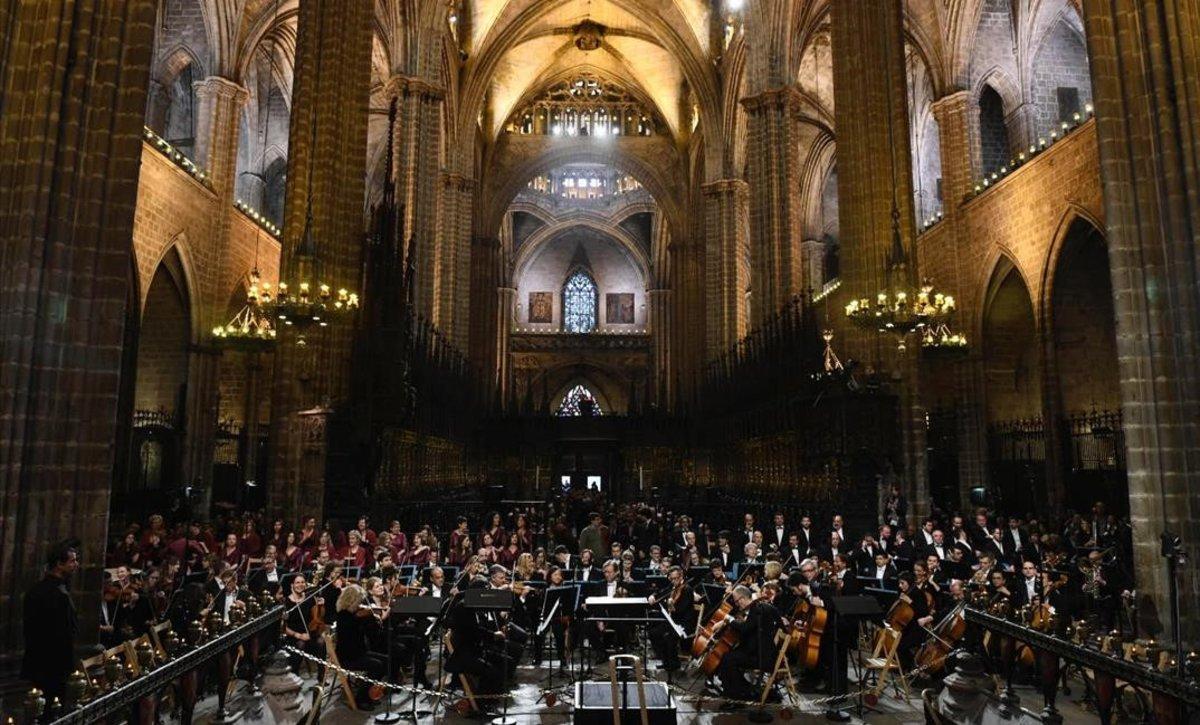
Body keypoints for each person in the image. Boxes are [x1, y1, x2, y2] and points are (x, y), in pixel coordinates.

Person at [22, 544, 79, 700]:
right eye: (72, 561)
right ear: (59, 564)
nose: (76, 564)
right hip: (54, 665)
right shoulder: (58, 594)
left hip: (37, 662)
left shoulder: (36, 590)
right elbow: (64, 633)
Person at [714, 585, 781, 707]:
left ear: (742, 599)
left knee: (729, 659)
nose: (736, 605)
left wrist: (728, 619)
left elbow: (745, 628)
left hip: (761, 656)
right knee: (727, 656)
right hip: (753, 650)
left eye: (736, 601)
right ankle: (739, 690)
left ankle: (736, 697)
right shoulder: (753, 608)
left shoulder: (757, 609)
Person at [334, 584, 388, 708]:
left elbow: (369, 633)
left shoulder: (355, 614)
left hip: (359, 652)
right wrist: (365, 616)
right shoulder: (344, 616)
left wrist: (373, 620)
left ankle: (369, 692)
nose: (361, 603)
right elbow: (351, 634)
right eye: (359, 601)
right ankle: (361, 698)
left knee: (386, 660)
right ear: (352, 600)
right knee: (377, 665)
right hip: (349, 657)